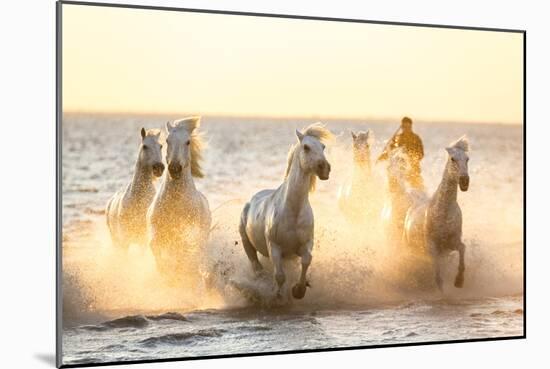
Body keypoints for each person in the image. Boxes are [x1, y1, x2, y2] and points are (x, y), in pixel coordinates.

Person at [377, 116, 425, 189]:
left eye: (408, 127)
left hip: (413, 171)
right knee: (392, 177)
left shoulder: (416, 138)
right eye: (404, 127)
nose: (406, 129)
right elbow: (390, 151)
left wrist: (410, 158)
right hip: (400, 170)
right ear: (401, 127)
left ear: (411, 126)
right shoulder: (397, 138)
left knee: (418, 188)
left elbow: (421, 154)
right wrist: (381, 158)